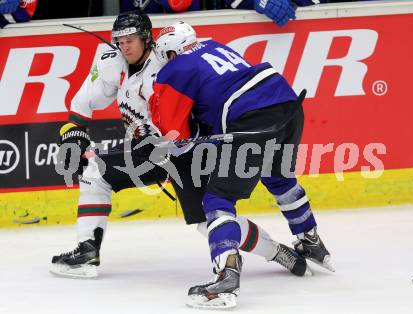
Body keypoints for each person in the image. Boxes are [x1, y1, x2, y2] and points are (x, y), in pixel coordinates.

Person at [50, 10, 310, 280]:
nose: (124, 46)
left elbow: (196, 109)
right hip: (148, 151)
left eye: (130, 39)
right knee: (94, 173)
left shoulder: (168, 65)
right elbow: (80, 108)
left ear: (146, 38)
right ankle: (87, 252)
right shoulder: (111, 63)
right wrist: (72, 134)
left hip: (183, 150)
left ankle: (276, 252)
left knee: (206, 220)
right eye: (120, 40)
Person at [151, 21, 333, 308]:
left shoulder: (175, 68)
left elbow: (176, 134)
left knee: (218, 199)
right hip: (286, 103)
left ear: (169, 53)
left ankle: (226, 279)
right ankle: (310, 239)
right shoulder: (211, 45)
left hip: (252, 120)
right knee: (279, 178)